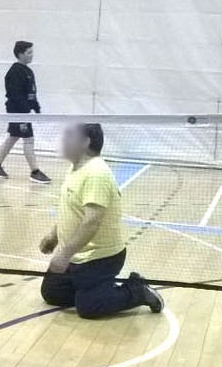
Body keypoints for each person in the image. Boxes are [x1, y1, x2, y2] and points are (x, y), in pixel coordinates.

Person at [38, 123, 164, 318]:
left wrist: (63, 254)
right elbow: (71, 210)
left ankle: (137, 290)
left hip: (100, 258)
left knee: (89, 307)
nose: (63, 140)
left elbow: (91, 222)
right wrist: (53, 236)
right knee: (52, 293)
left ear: (85, 142)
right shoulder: (75, 168)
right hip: (76, 256)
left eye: (70, 135)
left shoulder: (96, 173)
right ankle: (96, 290)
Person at [0, 40, 51, 184]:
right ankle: (35, 171)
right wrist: (23, 110)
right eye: (29, 52)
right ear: (20, 54)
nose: (32, 55)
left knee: (13, 137)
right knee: (28, 140)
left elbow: (31, 92)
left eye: (32, 52)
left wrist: (36, 107)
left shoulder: (28, 71)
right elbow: (14, 94)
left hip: (24, 112)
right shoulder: (14, 72)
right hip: (17, 112)